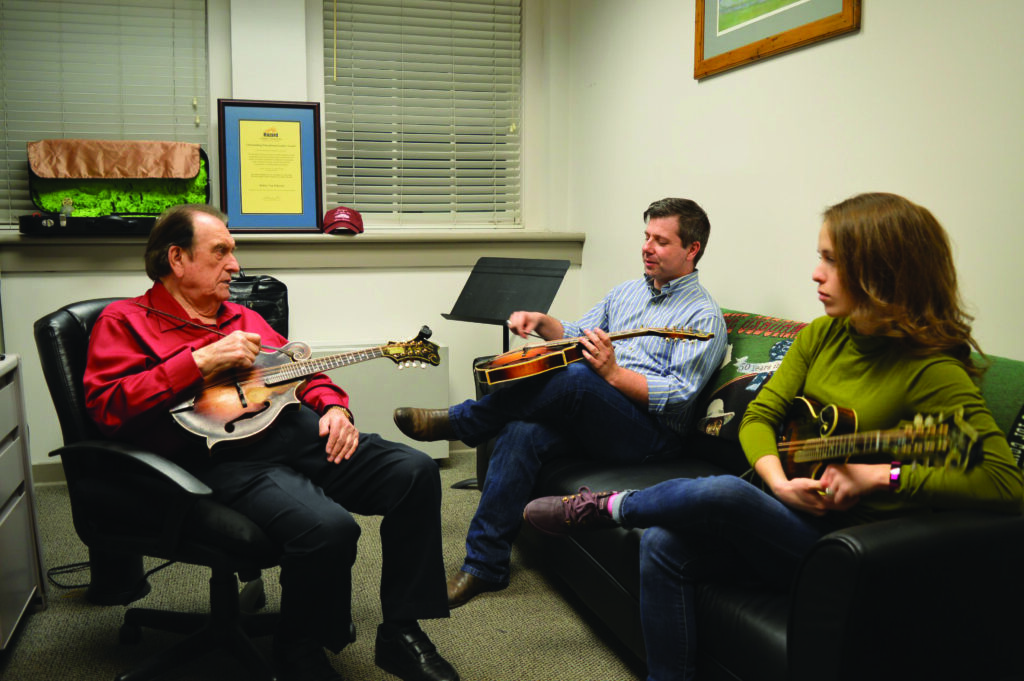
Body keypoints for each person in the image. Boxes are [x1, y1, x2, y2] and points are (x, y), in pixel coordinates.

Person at [521, 192, 1024, 681]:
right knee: (663, 543)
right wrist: (778, 480)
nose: (815, 273)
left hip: (849, 548)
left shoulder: (932, 370)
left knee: (723, 490)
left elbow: (1007, 484)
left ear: (881, 270)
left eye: (831, 260)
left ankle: (610, 508)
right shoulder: (823, 335)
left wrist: (883, 476)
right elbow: (760, 416)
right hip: (784, 511)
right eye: (819, 257)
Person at [83, 204, 459, 681]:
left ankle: (402, 632)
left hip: (291, 431)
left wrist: (334, 408)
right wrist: (196, 362)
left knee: (415, 472)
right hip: (218, 456)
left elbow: (303, 371)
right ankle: (298, 651)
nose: (235, 266)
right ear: (176, 259)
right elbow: (108, 408)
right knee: (329, 529)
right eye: (220, 252)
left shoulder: (241, 316)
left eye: (233, 252)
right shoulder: (124, 321)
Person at [394, 197, 728, 608]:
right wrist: (541, 322)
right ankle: (484, 566)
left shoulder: (703, 317)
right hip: (600, 419)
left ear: (692, 249)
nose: (646, 247)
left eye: (661, 240)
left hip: (652, 436)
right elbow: (575, 333)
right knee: (520, 432)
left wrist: (612, 374)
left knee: (577, 377)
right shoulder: (626, 292)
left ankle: (463, 421)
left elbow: (678, 397)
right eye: (646, 236)